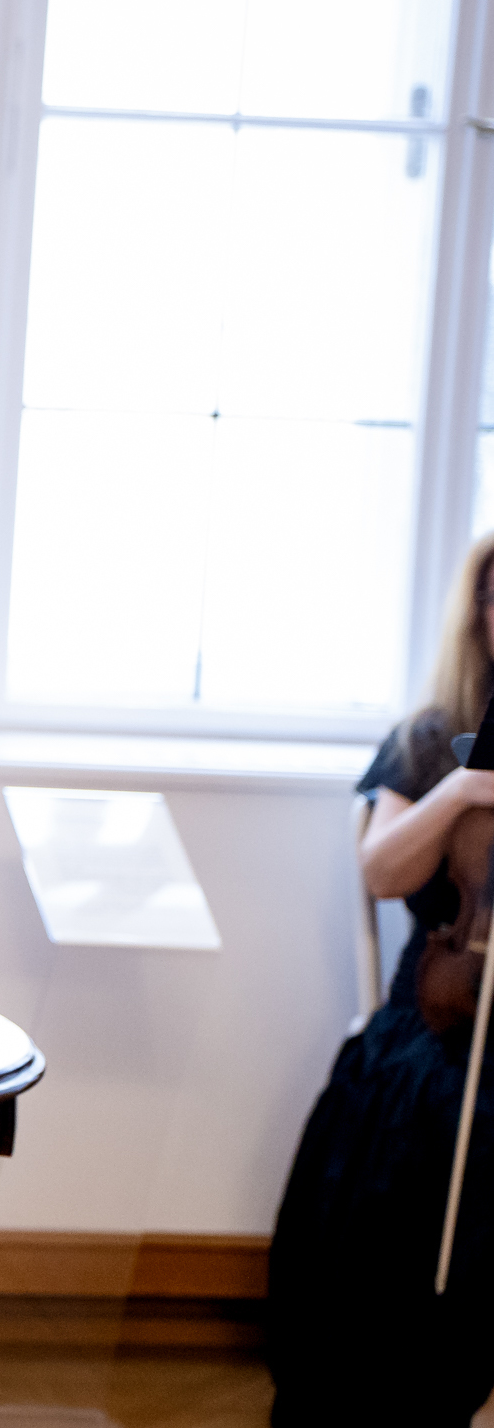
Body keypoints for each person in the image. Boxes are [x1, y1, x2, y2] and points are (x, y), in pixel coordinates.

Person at [268, 533, 494, 1426]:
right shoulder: (429, 738)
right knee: (454, 1119)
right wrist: (464, 792)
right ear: (475, 613)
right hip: (437, 1018)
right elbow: (381, 869)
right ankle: (427, 1373)